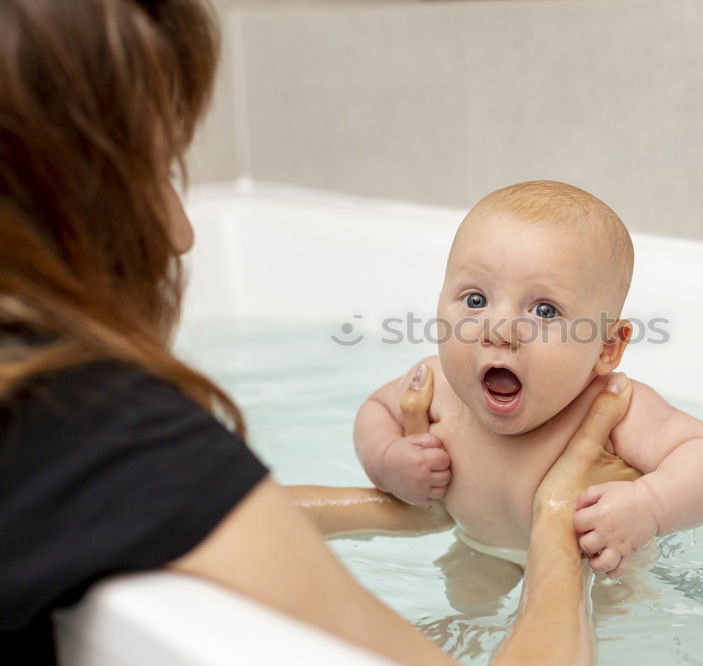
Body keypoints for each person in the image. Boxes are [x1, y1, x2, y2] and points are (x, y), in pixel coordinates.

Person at [0, 1, 640, 664]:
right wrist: (555, 524)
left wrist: (405, 507)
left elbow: (169, 509)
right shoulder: (86, 425)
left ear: (608, 346)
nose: (182, 233)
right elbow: (150, 489)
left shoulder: (51, 426)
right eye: (155, 177)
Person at [353, 181, 703, 576]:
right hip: (475, 552)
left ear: (607, 347)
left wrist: (650, 506)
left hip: (596, 583)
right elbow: (376, 409)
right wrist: (386, 461)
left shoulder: (612, 407)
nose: (499, 329)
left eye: (544, 311)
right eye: (475, 300)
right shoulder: (437, 386)